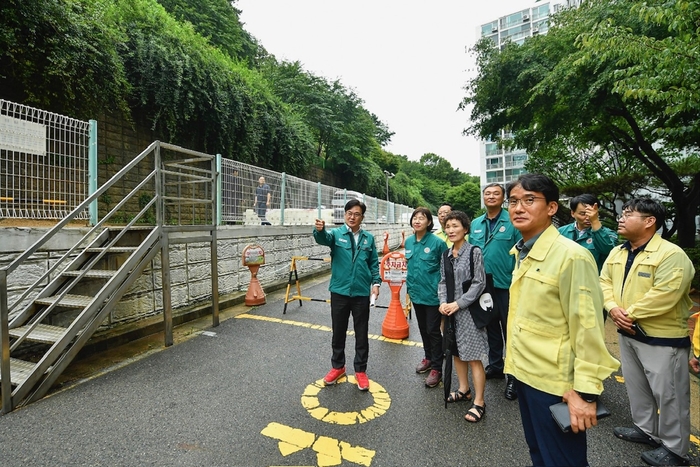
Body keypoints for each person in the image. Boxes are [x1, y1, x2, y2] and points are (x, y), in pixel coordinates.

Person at [505, 174, 619, 467]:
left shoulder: (572, 257)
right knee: (539, 454)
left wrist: (585, 392)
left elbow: (588, 329)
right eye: (514, 201)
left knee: (562, 461)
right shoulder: (523, 251)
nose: (518, 208)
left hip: (556, 384)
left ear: (552, 208)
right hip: (526, 373)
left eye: (530, 200)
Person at [600, 198, 695, 467]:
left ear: (649, 221)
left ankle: (676, 450)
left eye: (628, 214)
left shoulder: (671, 254)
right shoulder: (618, 252)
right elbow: (603, 281)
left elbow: (666, 294)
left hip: (662, 338)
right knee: (637, 386)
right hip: (628, 332)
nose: (620, 218)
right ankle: (646, 430)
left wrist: (628, 314)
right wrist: (612, 308)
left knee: (670, 394)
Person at [313, 199, 381, 391]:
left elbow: (374, 263)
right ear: (344, 215)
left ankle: (360, 370)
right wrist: (319, 230)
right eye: (349, 213)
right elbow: (323, 238)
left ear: (362, 217)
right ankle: (338, 367)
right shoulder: (335, 234)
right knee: (338, 332)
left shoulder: (368, 238)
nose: (352, 217)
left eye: (357, 214)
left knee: (361, 333)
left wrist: (376, 283)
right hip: (339, 292)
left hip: (360, 293)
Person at [469, 183, 521, 400]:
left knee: (511, 331)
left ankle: (514, 377)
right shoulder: (475, 224)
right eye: (487, 193)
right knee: (491, 329)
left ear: (504, 198)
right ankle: (496, 366)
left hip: (507, 285)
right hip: (483, 286)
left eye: (496, 194)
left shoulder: (513, 221)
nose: (491, 196)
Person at [438, 210, 489, 423]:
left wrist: (458, 304)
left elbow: (479, 283)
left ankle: (479, 401)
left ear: (465, 229)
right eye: (448, 227)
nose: (450, 230)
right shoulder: (446, 255)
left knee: (474, 357)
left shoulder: (474, 252)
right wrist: (442, 303)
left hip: (468, 312)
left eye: (455, 226)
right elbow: (442, 281)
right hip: (450, 312)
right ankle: (463, 389)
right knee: (456, 352)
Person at [405, 207, 448, 388]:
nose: (417, 221)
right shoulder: (408, 242)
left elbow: (447, 269)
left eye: (421, 218)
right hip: (416, 293)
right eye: (415, 218)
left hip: (432, 295)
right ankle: (428, 357)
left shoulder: (438, 243)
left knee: (433, 330)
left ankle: (437, 367)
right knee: (423, 328)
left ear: (429, 222)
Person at [558, 194, 618, 272]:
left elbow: (607, 251)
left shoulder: (608, 234)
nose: (588, 217)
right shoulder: (561, 232)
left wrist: (595, 222)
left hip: (592, 281)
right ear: (573, 213)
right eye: (583, 214)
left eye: (592, 213)